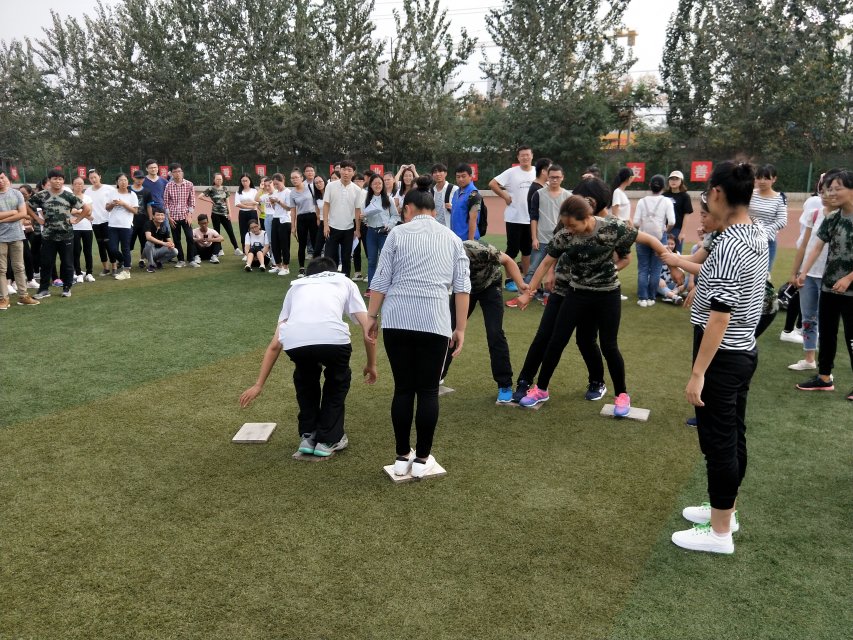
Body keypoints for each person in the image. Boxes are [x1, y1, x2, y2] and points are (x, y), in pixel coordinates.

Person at [673, 161, 769, 555]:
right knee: (732, 436)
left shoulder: (730, 243)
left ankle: (719, 532)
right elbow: (715, 276)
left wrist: (698, 372)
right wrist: (680, 263)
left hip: (723, 354)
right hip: (740, 349)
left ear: (716, 193)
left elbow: (719, 315)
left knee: (719, 442)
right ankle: (725, 511)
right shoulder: (753, 231)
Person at [513, 179, 669, 416]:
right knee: (556, 340)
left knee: (609, 345)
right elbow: (546, 262)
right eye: (566, 225)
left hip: (607, 295)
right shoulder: (565, 234)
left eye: (573, 225)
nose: (569, 229)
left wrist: (672, 263)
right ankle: (541, 389)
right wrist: (528, 292)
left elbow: (649, 240)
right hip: (577, 293)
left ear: (587, 217)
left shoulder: (612, 227)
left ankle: (622, 395)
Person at [366, 176, 471, 478]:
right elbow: (462, 288)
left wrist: (372, 317)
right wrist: (460, 328)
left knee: (403, 388)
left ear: (408, 209)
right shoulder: (452, 239)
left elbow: (381, 280)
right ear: (434, 212)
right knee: (427, 391)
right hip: (435, 322)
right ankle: (422, 459)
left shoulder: (397, 234)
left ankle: (402, 456)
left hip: (397, 321)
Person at [239, 256, 378, 457]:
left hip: (296, 343)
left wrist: (259, 384)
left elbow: (275, 345)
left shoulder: (296, 287)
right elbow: (369, 330)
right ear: (334, 272)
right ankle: (328, 439)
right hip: (334, 341)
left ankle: (308, 435)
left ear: (309, 275)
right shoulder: (344, 281)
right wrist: (371, 364)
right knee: (337, 381)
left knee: (305, 378)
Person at [441, 239, 526, 402]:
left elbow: (508, 261)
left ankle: (505, 384)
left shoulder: (478, 249)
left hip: (489, 285)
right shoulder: (440, 259)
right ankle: (437, 375)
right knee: (448, 331)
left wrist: (521, 285)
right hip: (464, 290)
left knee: (495, 333)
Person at [795, 169, 853, 400]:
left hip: (851, 289)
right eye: (829, 189)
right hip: (830, 287)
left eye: (838, 188)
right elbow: (817, 246)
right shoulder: (832, 218)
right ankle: (824, 377)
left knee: (852, 336)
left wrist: (848, 278)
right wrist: (803, 272)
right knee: (827, 333)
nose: (832, 193)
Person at [787, 173, 834, 371]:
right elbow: (804, 245)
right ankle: (809, 358)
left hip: (830, 277)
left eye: (829, 191)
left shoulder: (843, 217)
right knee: (808, 318)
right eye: (822, 190)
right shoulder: (814, 214)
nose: (824, 195)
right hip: (808, 275)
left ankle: (825, 366)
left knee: (827, 321)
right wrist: (795, 272)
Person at [30, 169, 90, 299]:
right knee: (46, 263)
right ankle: (44, 289)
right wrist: (37, 219)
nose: (57, 181)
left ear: (63, 181)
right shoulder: (42, 195)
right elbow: (27, 206)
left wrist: (77, 220)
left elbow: (86, 208)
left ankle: (67, 288)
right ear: (49, 180)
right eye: (55, 179)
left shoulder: (68, 196)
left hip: (66, 235)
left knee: (67, 263)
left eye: (60, 179)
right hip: (48, 236)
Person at [515, 164, 570, 305]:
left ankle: (550, 295)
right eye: (552, 177)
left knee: (559, 269)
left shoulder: (568, 196)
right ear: (547, 177)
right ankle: (524, 294)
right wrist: (534, 238)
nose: (554, 180)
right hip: (541, 239)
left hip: (561, 240)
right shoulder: (538, 194)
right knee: (533, 269)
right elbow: (533, 217)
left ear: (562, 178)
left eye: (557, 177)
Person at [489, 146, 536, 292]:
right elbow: (492, 184)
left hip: (531, 219)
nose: (525, 157)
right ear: (518, 157)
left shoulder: (537, 172)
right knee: (512, 250)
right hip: (514, 218)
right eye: (522, 155)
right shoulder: (511, 172)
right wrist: (504, 195)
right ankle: (509, 280)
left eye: (527, 155)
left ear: (532, 156)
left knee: (527, 251)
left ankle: (526, 279)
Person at [632, 174, 675, 306]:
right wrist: (666, 230)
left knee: (643, 268)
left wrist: (640, 232)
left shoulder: (642, 201)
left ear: (650, 185)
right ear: (664, 187)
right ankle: (651, 297)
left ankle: (642, 298)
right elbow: (672, 221)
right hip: (660, 237)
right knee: (656, 268)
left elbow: (636, 222)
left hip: (643, 237)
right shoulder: (667, 201)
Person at [0, 170, 40, 309]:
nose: (0, 181)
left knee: (19, 267)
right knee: (1, 269)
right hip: (0, 238)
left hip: (17, 235)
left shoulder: (16, 194)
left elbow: (23, 213)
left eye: (2, 177)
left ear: (6, 177)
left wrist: (3, 219)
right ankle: (4, 298)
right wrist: (13, 212)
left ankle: (23, 296)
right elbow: (17, 213)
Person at [322, 159, 363, 278]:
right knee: (330, 257)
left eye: (349, 170)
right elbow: (326, 205)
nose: (346, 172)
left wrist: (357, 229)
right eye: (344, 169)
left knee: (346, 258)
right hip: (332, 227)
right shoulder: (331, 186)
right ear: (340, 170)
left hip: (348, 229)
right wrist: (325, 225)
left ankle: (345, 281)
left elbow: (357, 210)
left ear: (353, 173)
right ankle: (331, 280)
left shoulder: (357, 190)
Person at [362, 173, 400, 295]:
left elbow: (395, 215)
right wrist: (364, 218)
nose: (377, 185)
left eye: (379, 183)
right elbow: (364, 217)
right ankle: (371, 287)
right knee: (372, 260)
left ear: (382, 184)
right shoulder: (367, 200)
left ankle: (385, 287)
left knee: (385, 261)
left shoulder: (388, 199)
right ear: (371, 185)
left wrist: (389, 225)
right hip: (371, 233)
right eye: (375, 183)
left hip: (384, 233)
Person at [748, 164, 788, 270]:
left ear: (774, 179)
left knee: (764, 275)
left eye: (766, 178)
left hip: (767, 243)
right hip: (747, 240)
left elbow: (782, 221)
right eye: (759, 178)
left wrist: (764, 231)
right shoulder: (749, 194)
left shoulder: (780, 198)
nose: (762, 181)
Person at [106, 173, 139, 280]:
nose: (123, 182)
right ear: (117, 182)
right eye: (121, 180)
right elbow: (107, 208)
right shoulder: (112, 193)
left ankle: (126, 271)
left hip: (126, 225)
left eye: (125, 180)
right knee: (112, 249)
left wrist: (123, 204)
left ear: (128, 182)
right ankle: (123, 261)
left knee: (125, 248)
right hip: (113, 225)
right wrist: (113, 204)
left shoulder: (132, 194)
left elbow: (135, 211)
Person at [163, 163, 197, 268]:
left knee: (190, 237)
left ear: (182, 172)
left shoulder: (189, 184)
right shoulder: (169, 185)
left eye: (179, 171)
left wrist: (190, 215)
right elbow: (166, 202)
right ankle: (181, 260)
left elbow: (192, 201)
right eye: (175, 172)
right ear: (171, 174)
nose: (177, 173)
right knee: (176, 239)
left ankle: (191, 259)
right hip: (173, 217)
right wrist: (169, 217)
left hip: (185, 216)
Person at [200, 172, 241, 256]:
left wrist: (229, 213)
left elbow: (227, 201)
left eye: (221, 179)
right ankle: (220, 249)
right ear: (214, 180)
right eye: (217, 179)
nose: (219, 181)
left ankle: (236, 248)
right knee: (217, 233)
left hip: (225, 214)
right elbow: (200, 196)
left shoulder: (225, 189)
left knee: (230, 231)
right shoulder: (210, 189)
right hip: (215, 214)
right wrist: (210, 201)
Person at [288, 169, 319, 278]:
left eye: (296, 177)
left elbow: (317, 203)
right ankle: (301, 268)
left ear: (302, 178)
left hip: (313, 217)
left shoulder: (311, 187)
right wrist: (293, 226)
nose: (294, 180)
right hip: (301, 218)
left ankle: (317, 267)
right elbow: (293, 210)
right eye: (292, 178)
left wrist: (318, 218)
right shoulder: (292, 193)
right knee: (302, 244)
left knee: (315, 243)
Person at [85, 169, 116, 276]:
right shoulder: (87, 191)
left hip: (107, 221)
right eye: (91, 178)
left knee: (109, 245)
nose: (93, 179)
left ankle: (114, 267)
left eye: (95, 177)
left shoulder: (109, 189)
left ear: (100, 176)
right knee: (100, 245)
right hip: (95, 222)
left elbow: (115, 202)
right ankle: (106, 268)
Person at [69, 176, 95, 283]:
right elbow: (70, 211)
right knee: (76, 251)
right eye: (76, 184)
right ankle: (79, 273)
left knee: (88, 251)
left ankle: (89, 273)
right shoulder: (69, 197)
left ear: (83, 185)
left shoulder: (87, 198)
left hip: (87, 228)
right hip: (74, 228)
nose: (79, 186)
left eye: (81, 184)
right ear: (72, 185)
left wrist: (77, 211)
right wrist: (83, 212)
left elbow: (89, 212)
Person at [663, 170, 693, 253]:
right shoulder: (664, 196)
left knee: (676, 254)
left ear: (681, 181)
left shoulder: (685, 196)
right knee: (663, 253)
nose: (673, 181)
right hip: (664, 229)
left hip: (677, 230)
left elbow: (686, 215)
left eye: (676, 179)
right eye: (671, 179)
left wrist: (682, 232)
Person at [450, 163, 482, 242]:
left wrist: (470, 242)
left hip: (467, 240)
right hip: (456, 238)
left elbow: (473, 219)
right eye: (458, 177)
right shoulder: (456, 192)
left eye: (463, 176)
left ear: (470, 176)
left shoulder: (474, 194)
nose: (460, 179)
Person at [129, 169, 153, 268]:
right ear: (133, 178)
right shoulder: (128, 190)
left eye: (141, 178)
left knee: (144, 242)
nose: (139, 180)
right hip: (130, 221)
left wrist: (150, 220)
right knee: (129, 241)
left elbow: (149, 206)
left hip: (143, 221)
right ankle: (128, 260)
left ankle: (142, 260)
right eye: (137, 178)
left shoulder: (147, 191)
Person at [234, 174, 259, 255]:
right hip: (243, 214)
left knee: (254, 231)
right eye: (243, 181)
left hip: (253, 213)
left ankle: (256, 250)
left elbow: (257, 202)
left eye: (246, 180)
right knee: (243, 232)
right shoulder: (238, 192)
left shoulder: (254, 191)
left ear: (250, 181)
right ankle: (246, 253)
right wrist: (250, 205)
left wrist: (245, 203)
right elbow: (237, 204)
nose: (244, 182)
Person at [430, 163, 457, 228]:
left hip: (450, 227)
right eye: (435, 172)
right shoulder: (431, 191)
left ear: (445, 173)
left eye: (440, 171)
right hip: (435, 227)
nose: (437, 174)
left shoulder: (454, 189)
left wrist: (452, 208)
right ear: (432, 175)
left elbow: (461, 209)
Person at [142, 160, 168, 226]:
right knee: (149, 230)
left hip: (161, 211)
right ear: (146, 169)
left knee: (164, 230)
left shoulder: (164, 181)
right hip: (146, 211)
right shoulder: (142, 181)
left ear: (158, 168)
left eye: (155, 167)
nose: (153, 169)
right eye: (151, 168)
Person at [311, 175, 326, 259]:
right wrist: (318, 220)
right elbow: (317, 210)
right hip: (322, 222)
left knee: (330, 247)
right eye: (316, 183)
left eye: (320, 181)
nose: (318, 184)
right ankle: (316, 264)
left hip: (333, 223)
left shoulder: (330, 193)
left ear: (324, 181)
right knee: (317, 248)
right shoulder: (316, 196)